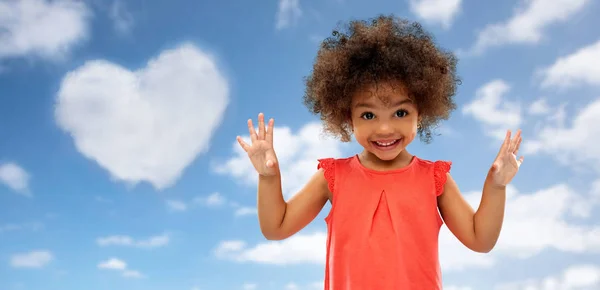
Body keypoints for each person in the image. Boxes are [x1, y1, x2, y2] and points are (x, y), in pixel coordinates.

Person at [236, 15, 524, 290]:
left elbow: (480, 239)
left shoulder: (434, 178)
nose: (385, 128)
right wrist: (268, 177)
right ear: (348, 118)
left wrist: (495, 186)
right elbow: (277, 227)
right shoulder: (333, 176)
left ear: (420, 114)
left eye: (400, 112)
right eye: (368, 116)